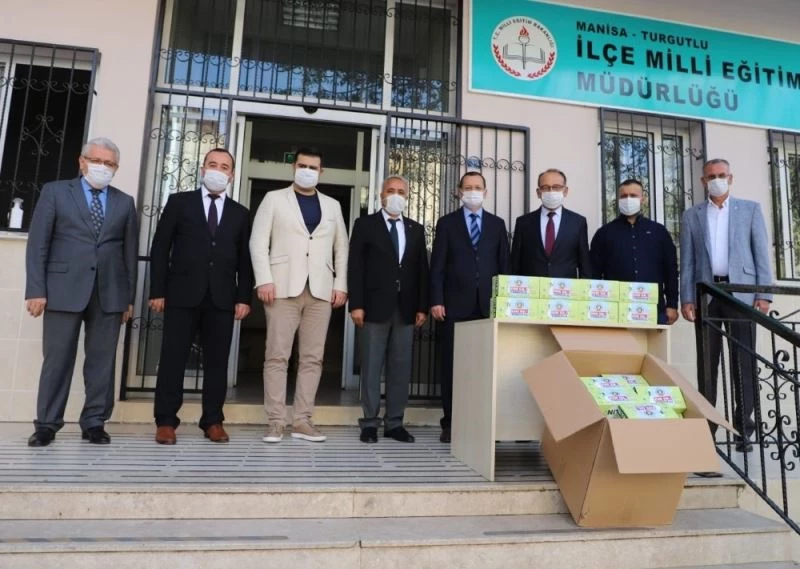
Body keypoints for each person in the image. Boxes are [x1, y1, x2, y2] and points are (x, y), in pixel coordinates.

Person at [25, 137, 138, 447]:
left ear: (116, 168)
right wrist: (36, 290)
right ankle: (47, 424)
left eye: (109, 163)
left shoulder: (125, 202)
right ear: (82, 161)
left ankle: (94, 422)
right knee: (57, 359)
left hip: (110, 292)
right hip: (62, 289)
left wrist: (128, 298)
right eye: (97, 161)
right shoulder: (55, 192)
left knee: (102, 361)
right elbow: (38, 244)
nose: (102, 167)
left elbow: (129, 254)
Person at [149, 148, 253, 445]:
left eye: (224, 167)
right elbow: (161, 248)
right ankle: (166, 421)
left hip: (221, 298)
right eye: (213, 165)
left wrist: (243, 297)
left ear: (232, 175)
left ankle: (213, 421)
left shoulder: (240, 213)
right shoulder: (179, 202)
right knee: (173, 358)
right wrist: (157, 291)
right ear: (203, 169)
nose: (218, 170)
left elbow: (245, 260)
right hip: (181, 294)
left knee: (217, 362)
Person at [250, 148, 348, 444]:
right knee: (277, 355)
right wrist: (264, 279)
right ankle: (276, 421)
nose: (307, 171)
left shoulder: (332, 205)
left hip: (320, 290)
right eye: (302, 165)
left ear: (321, 172)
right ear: (294, 167)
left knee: (312, 358)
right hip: (281, 288)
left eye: (313, 167)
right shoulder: (274, 199)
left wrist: (340, 284)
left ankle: (302, 421)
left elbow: (341, 248)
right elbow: (258, 242)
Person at [680, 158, 773, 454]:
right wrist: (687, 297)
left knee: (743, 363)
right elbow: (688, 261)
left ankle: (744, 430)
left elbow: (761, 254)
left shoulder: (750, 210)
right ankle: (707, 429)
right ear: (703, 181)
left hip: (741, 295)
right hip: (706, 295)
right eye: (711, 176)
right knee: (707, 366)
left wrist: (764, 294)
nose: (716, 180)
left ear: (730, 178)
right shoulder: (691, 216)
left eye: (721, 175)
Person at [430, 172, 511, 443]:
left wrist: (504, 302)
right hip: (454, 305)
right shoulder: (446, 223)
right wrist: (436, 299)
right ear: (459, 191)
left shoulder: (498, 225)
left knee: (486, 368)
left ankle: (482, 423)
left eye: (478, 187)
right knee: (453, 367)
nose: (473, 191)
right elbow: (437, 265)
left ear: (485, 192)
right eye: (468, 187)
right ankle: (451, 423)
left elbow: (504, 266)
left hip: (488, 306)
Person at [348, 175, 429, 444]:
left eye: (401, 192)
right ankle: (370, 423)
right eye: (391, 190)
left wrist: (422, 306)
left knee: (401, 368)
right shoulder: (365, 225)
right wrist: (356, 304)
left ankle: (395, 423)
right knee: (372, 366)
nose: (396, 195)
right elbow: (356, 266)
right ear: (381, 195)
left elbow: (422, 270)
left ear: (407, 197)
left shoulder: (416, 229)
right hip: (373, 307)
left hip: (406, 309)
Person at [590, 179, 679, 325]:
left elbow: (670, 270)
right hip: (615, 310)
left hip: (654, 309)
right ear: (618, 200)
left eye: (633, 195)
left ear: (643, 199)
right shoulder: (604, 233)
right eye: (623, 196)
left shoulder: (659, 231)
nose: (628, 199)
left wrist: (672, 304)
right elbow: (594, 273)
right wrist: (596, 306)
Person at [511, 168, 591, 278]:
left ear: (565, 191)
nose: (551, 191)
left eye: (557, 187)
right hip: (532, 287)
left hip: (565, 287)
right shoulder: (523, 223)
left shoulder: (578, 222)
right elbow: (515, 263)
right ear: (538, 192)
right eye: (545, 187)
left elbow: (584, 264)